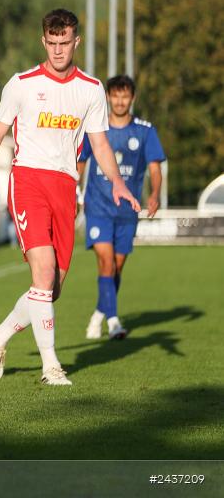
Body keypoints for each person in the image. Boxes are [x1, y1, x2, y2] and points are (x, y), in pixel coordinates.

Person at [0, 9, 140, 386]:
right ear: (43, 41)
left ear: (76, 41)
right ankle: (51, 366)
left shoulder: (90, 88)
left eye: (64, 42)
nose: (57, 50)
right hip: (28, 182)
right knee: (43, 273)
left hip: (66, 189)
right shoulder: (20, 84)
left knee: (50, 290)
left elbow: (99, 142)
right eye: (51, 43)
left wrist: (118, 182)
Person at [78, 74, 165, 340]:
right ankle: (114, 321)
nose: (119, 101)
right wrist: (75, 193)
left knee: (116, 266)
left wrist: (155, 194)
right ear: (108, 97)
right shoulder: (96, 129)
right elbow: (80, 163)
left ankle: (98, 315)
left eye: (124, 96)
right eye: (115, 95)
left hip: (128, 210)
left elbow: (154, 168)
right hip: (98, 207)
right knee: (105, 261)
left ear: (132, 98)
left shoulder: (145, 130)